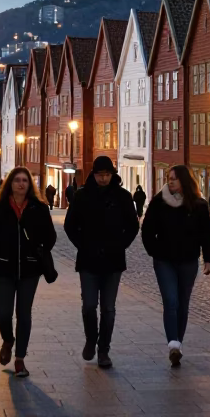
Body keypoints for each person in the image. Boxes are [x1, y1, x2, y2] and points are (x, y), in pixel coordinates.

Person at [0, 166, 56, 378]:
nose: (21, 184)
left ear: (30, 185)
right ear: (10, 184)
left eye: (25, 180)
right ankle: (8, 339)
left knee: (24, 314)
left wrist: (37, 249)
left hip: (30, 269)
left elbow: (50, 237)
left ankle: (20, 359)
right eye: (17, 180)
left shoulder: (39, 208)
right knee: (3, 314)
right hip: (3, 268)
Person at [65, 156, 139, 368]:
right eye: (100, 175)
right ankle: (91, 338)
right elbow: (70, 225)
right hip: (88, 260)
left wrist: (120, 245)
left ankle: (104, 349)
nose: (104, 178)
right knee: (89, 305)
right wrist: (82, 244)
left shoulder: (123, 197)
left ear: (112, 175)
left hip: (113, 260)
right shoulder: (82, 196)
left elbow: (133, 226)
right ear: (94, 174)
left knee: (108, 308)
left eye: (107, 175)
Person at [141, 165, 210, 367]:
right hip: (164, 260)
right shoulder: (159, 202)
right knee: (171, 301)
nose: (170, 181)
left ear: (184, 180)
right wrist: (155, 251)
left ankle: (178, 344)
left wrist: (208, 258)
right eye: (168, 178)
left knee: (183, 303)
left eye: (174, 178)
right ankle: (173, 344)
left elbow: (206, 234)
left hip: (189, 261)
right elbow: (147, 230)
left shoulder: (198, 205)